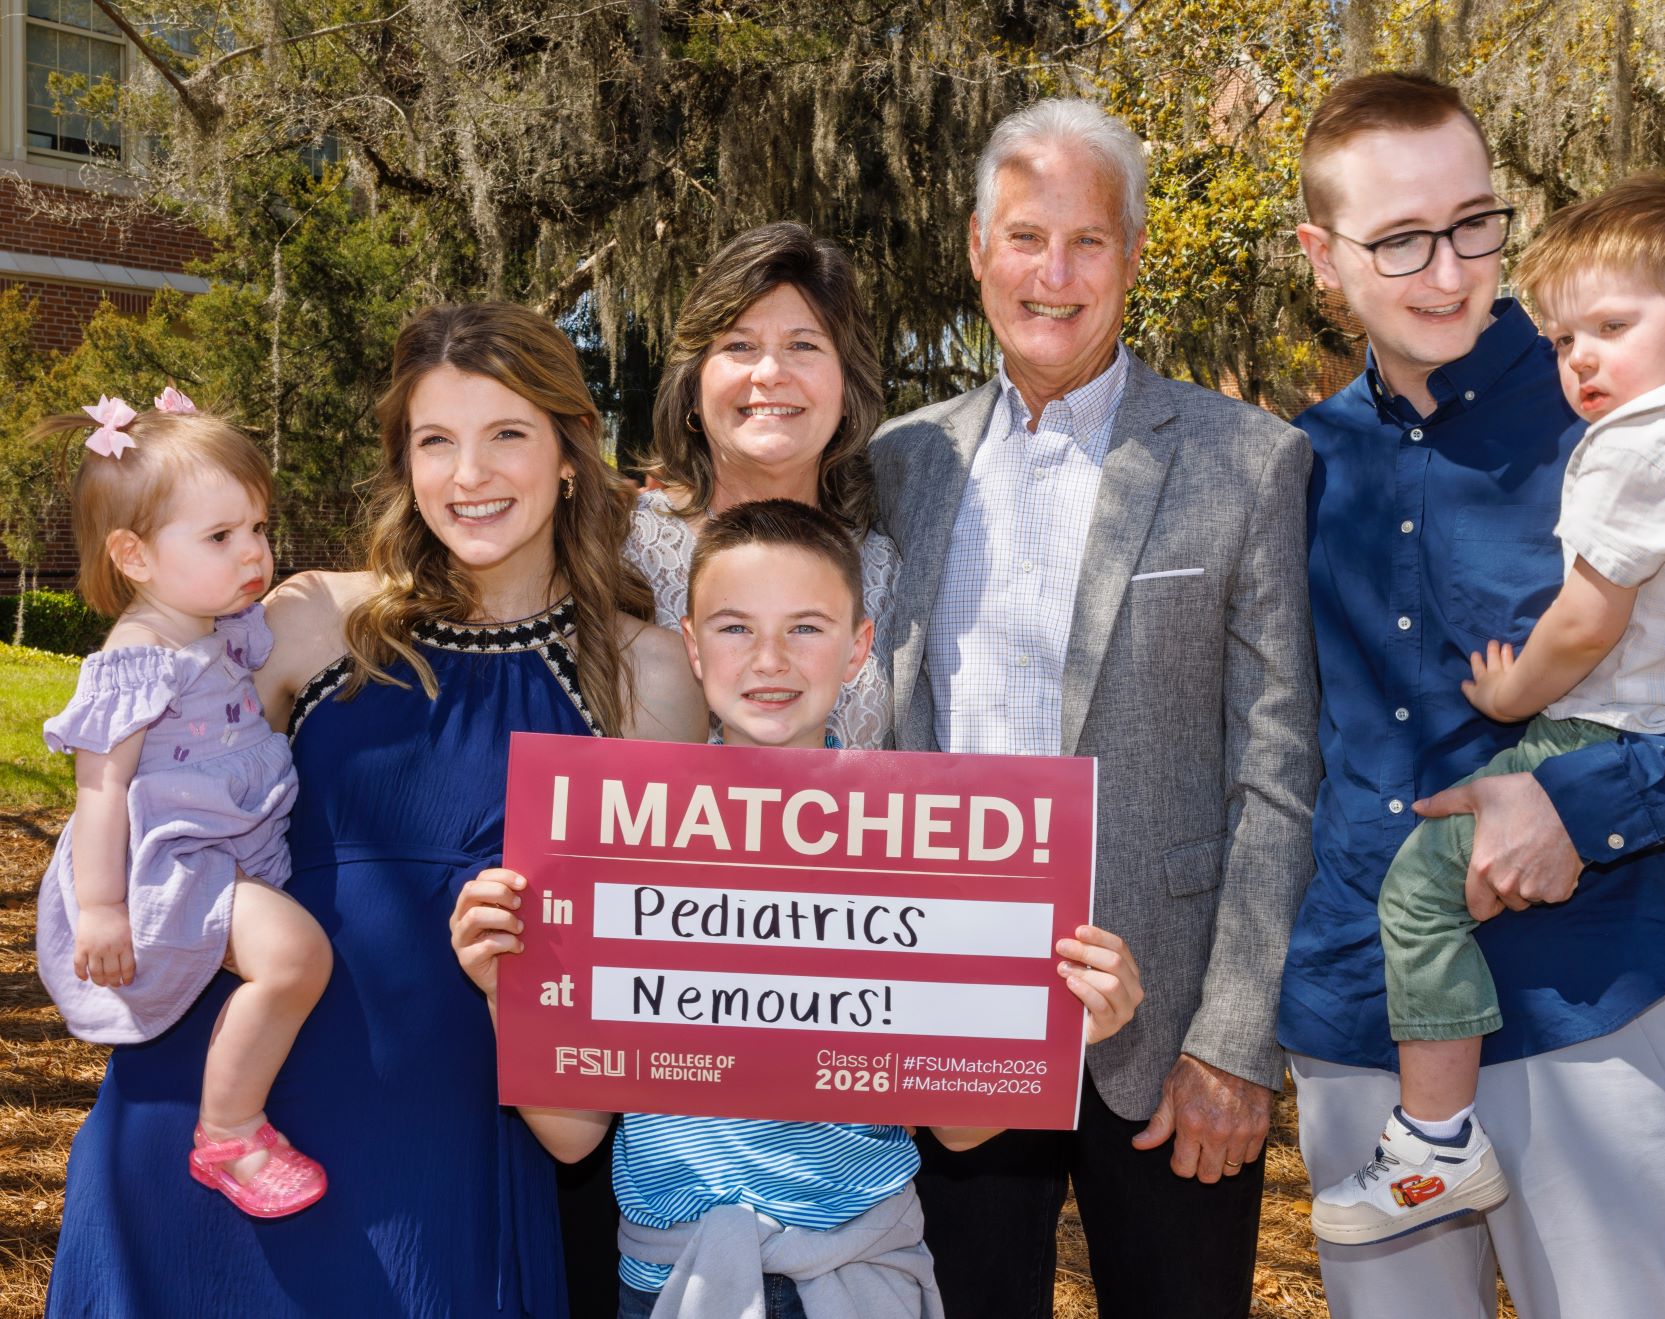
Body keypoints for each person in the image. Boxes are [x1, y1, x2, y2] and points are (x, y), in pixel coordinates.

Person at [1282, 72, 1665, 1318]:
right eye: (1398, 240)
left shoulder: (1633, 415)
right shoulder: (1298, 462)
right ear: (1320, 257)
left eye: (1473, 223)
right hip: (1355, 1016)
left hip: (1590, 1000)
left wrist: (1578, 806)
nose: (1447, 271)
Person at [47, 302, 706, 1317]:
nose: (467, 474)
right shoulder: (311, 620)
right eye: (434, 440)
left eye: (506, 435)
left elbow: (633, 979)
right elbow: (145, 766)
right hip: (211, 1126)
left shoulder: (644, 675)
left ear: (571, 455)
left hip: (448, 1161)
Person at [450, 497, 1145, 1319]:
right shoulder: (613, 847)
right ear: (692, 647)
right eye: (735, 627)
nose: (770, 658)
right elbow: (573, 1134)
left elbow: (956, 1129)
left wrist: (1056, 1026)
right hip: (671, 1279)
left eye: (807, 628)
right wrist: (510, 989)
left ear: (858, 649)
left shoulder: (924, 847)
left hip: (860, 1271)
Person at [870, 98, 1320, 1319]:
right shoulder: (902, 461)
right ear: (976, 249)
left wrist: (1234, 1041)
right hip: (945, 1020)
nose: (1051, 274)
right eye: (1024, 238)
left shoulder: (1247, 459)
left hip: (1166, 1039)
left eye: (1086, 242)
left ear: (1131, 255)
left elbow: (1276, 773)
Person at [36, 389, 331, 1218]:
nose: (254, 553)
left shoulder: (215, 627)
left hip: (226, 843)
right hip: (172, 863)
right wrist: (100, 907)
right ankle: (229, 1131)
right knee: (297, 957)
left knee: (297, 953)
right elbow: (100, 794)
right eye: (221, 536)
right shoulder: (135, 657)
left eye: (259, 528)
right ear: (133, 556)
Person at [626, 221, 899, 750]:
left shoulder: (890, 574)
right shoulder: (617, 551)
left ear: (848, 383)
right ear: (693, 383)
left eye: (803, 344)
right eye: (740, 345)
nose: (770, 372)